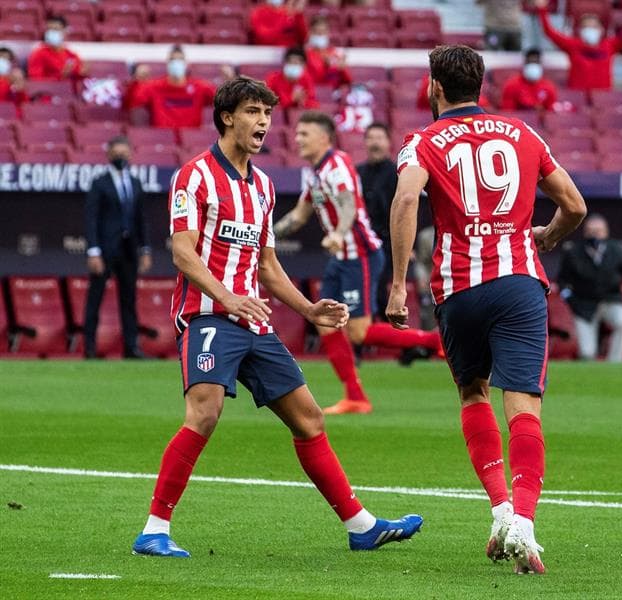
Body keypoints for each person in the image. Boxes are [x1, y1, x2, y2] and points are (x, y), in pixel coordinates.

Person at [132, 76, 422, 558]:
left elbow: (266, 266)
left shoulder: (264, 186)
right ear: (227, 117)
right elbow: (183, 254)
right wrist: (227, 297)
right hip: (208, 317)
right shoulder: (195, 176)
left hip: (253, 321)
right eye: (252, 112)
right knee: (204, 413)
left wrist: (309, 310)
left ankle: (361, 526)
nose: (263, 122)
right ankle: (154, 530)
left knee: (309, 420)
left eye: (267, 114)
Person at [386, 45, 587, 574]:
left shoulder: (421, 141)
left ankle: (500, 509)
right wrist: (543, 237)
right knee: (523, 404)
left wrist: (398, 284)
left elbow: (407, 200)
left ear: (434, 88)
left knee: (472, 392)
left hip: (459, 288)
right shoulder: (524, 133)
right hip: (519, 283)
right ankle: (523, 521)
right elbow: (575, 205)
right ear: (482, 86)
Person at [273, 112, 443, 415]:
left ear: (324, 138)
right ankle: (355, 396)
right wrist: (265, 237)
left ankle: (436, 341)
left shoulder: (337, 164)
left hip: (360, 255)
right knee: (325, 323)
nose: (297, 139)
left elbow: (348, 205)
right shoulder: (316, 173)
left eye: (304, 134)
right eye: (297, 134)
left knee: (359, 332)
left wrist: (338, 233)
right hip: (341, 259)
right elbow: (300, 215)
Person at [84, 136, 151, 359]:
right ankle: (90, 348)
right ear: (109, 155)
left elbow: (141, 219)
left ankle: (131, 347)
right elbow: (91, 218)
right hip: (104, 249)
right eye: (116, 153)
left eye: (124, 153)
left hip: (129, 249)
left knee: (129, 299)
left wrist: (145, 249)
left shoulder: (135, 183)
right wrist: (93, 250)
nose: (121, 157)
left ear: (130, 154)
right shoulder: (99, 183)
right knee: (95, 298)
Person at [557, 214, 622, 362]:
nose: (595, 234)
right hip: (583, 304)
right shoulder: (574, 252)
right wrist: (569, 298)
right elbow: (562, 281)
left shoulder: (616, 250)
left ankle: (615, 362)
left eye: (598, 231)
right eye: (591, 231)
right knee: (587, 352)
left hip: (611, 300)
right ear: (585, 232)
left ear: (606, 232)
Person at [535, 0, 622, 90]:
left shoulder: (610, 45)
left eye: (594, 26)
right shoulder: (573, 45)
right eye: (586, 27)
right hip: (577, 97)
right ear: (580, 30)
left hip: (603, 97)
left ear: (601, 29)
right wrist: (542, 9)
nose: (590, 30)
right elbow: (549, 32)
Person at [356, 123, 396, 317]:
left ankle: (401, 340)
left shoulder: (398, 173)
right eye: (371, 138)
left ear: (389, 142)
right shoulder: (358, 172)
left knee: (380, 294)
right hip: (361, 243)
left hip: (389, 244)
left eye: (379, 138)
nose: (375, 143)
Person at [126, 46, 220, 129]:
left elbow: (223, 100)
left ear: (186, 64)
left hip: (191, 138)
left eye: (180, 59)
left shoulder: (200, 87)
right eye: (172, 59)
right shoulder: (154, 86)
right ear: (167, 63)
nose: (176, 63)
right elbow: (131, 102)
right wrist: (136, 81)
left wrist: (229, 81)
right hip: (162, 138)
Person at [27, 15, 85, 82]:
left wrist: (82, 74)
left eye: (55, 29)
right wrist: (61, 76)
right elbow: (35, 81)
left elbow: (78, 77)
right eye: (49, 29)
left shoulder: (71, 55)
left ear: (65, 32)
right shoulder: (38, 54)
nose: (51, 32)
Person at [305, 17, 351, 89]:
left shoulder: (334, 53)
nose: (320, 34)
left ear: (328, 33)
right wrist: (327, 66)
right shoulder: (304, 54)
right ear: (310, 32)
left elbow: (348, 81)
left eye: (323, 31)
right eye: (317, 31)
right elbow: (308, 80)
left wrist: (342, 69)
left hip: (332, 95)